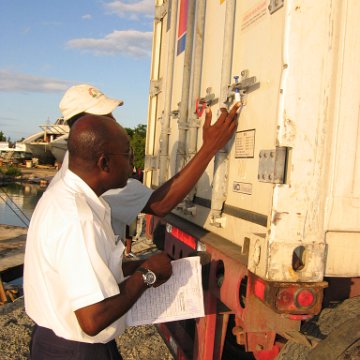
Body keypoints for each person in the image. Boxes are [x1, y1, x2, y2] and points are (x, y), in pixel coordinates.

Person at [24, 115, 173, 359]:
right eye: (127, 156)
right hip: (76, 350)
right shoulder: (78, 217)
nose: (132, 166)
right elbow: (92, 319)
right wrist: (147, 275)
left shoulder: (67, 195)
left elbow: (85, 273)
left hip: (57, 342)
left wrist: (140, 266)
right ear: (104, 163)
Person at [50, 84, 241, 243]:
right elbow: (160, 204)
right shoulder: (92, 177)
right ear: (88, 125)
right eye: (107, 116)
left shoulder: (73, 169)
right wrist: (209, 148)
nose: (115, 121)